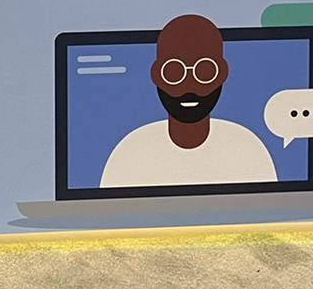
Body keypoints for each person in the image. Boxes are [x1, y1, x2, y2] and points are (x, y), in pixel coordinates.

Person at [100, 15, 276, 188]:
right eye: (174, 72)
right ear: (157, 76)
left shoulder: (248, 149)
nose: (189, 87)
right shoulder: (129, 152)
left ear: (222, 75)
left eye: (204, 71)